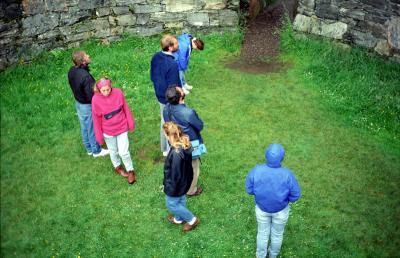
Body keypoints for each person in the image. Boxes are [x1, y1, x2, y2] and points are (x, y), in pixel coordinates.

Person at [245, 144, 301, 258]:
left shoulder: (256, 170)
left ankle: (260, 256)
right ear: (282, 157)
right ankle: (273, 255)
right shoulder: (287, 174)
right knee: (277, 234)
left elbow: (249, 189)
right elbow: (296, 195)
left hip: (261, 209)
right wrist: (285, 200)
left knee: (262, 233)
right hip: (281, 210)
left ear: (266, 155)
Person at [91, 78, 136, 185]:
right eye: (103, 91)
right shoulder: (95, 100)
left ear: (111, 87)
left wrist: (131, 122)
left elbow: (125, 108)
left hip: (121, 126)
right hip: (108, 131)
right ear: (98, 90)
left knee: (124, 152)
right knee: (113, 151)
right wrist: (99, 137)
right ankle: (118, 167)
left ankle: (130, 170)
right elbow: (96, 120)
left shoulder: (118, 92)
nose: (106, 92)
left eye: (108, 90)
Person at [150, 34, 187, 157]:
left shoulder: (155, 57)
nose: (178, 45)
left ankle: (165, 147)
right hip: (168, 98)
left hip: (159, 95)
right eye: (176, 44)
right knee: (168, 122)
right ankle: (167, 148)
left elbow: (152, 77)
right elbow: (174, 86)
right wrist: (180, 96)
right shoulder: (172, 64)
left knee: (164, 119)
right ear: (170, 47)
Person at [163, 86, 204, 197]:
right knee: (194, 168)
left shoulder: (166, 108)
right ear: (180, 97)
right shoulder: (188, 113)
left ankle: (181, 182)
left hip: (175, 144)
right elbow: (200, 126)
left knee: (181, 166)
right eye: (180, 90)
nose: (181, 88)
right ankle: (191, 191)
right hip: (188, 145)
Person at [67, 51, 109, 157]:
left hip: (78, 103)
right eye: (86, 55)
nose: (89, 55)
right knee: (92, 127)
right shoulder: (86, 77)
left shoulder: (71, 70)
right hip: (86, 105)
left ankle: (89, 148)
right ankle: (96, 150)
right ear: (83, 61)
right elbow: (91, 96)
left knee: (84, 126)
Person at [162, 121, 200, 232]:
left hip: (176, 184)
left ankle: (192, 220)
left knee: (171, 204)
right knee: (180, 199)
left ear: (168, 135)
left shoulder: (176, 153)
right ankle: (179, 218)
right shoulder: (183, 143)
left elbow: (175, 175)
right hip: (185, 179)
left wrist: (168, 187)